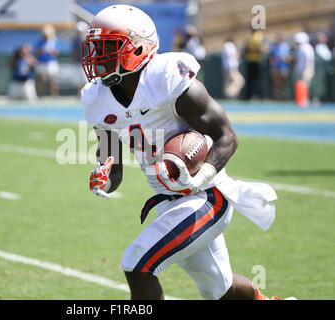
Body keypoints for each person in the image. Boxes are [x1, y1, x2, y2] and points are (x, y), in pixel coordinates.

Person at [82, 5, 295, 300]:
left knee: (138, 265)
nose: (98, 57)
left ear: (139, 47)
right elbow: (112, 161)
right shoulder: (97, 98)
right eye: (95, 47)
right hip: (169, 202)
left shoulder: (168, 79)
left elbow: (227, 137)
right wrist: (104, 175)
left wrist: (199, 178)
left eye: (108, 47)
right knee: (221, 291)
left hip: (207, 194)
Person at [34, 24, 59, 97]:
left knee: (53, 80)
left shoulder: (54, 41)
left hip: (51, 62)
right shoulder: (40, 41)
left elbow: (57, 52)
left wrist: (52, 51)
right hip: (41, 62)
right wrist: (42, 50)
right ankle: (40, 95)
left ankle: (54, 95)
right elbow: (36, 51)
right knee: (40, 79)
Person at [243, 29, 265, 100]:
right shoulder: (250, 38)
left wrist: (252, 50)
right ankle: (249, 95)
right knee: (250, 79)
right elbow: (246, 49)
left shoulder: (259, 36)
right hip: (250, 60)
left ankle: (259, 95)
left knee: (257, 80)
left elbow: (260, 49)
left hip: (256, 61)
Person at [269, 33, 291, 100]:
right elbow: (271, 58)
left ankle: (284, 97)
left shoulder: (285, 46)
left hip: (283, 68)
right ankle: (276, 97)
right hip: (276, 68)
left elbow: (289, 58)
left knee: (283, 83)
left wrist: (284, 59)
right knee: (276, 84)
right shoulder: (274, 46)